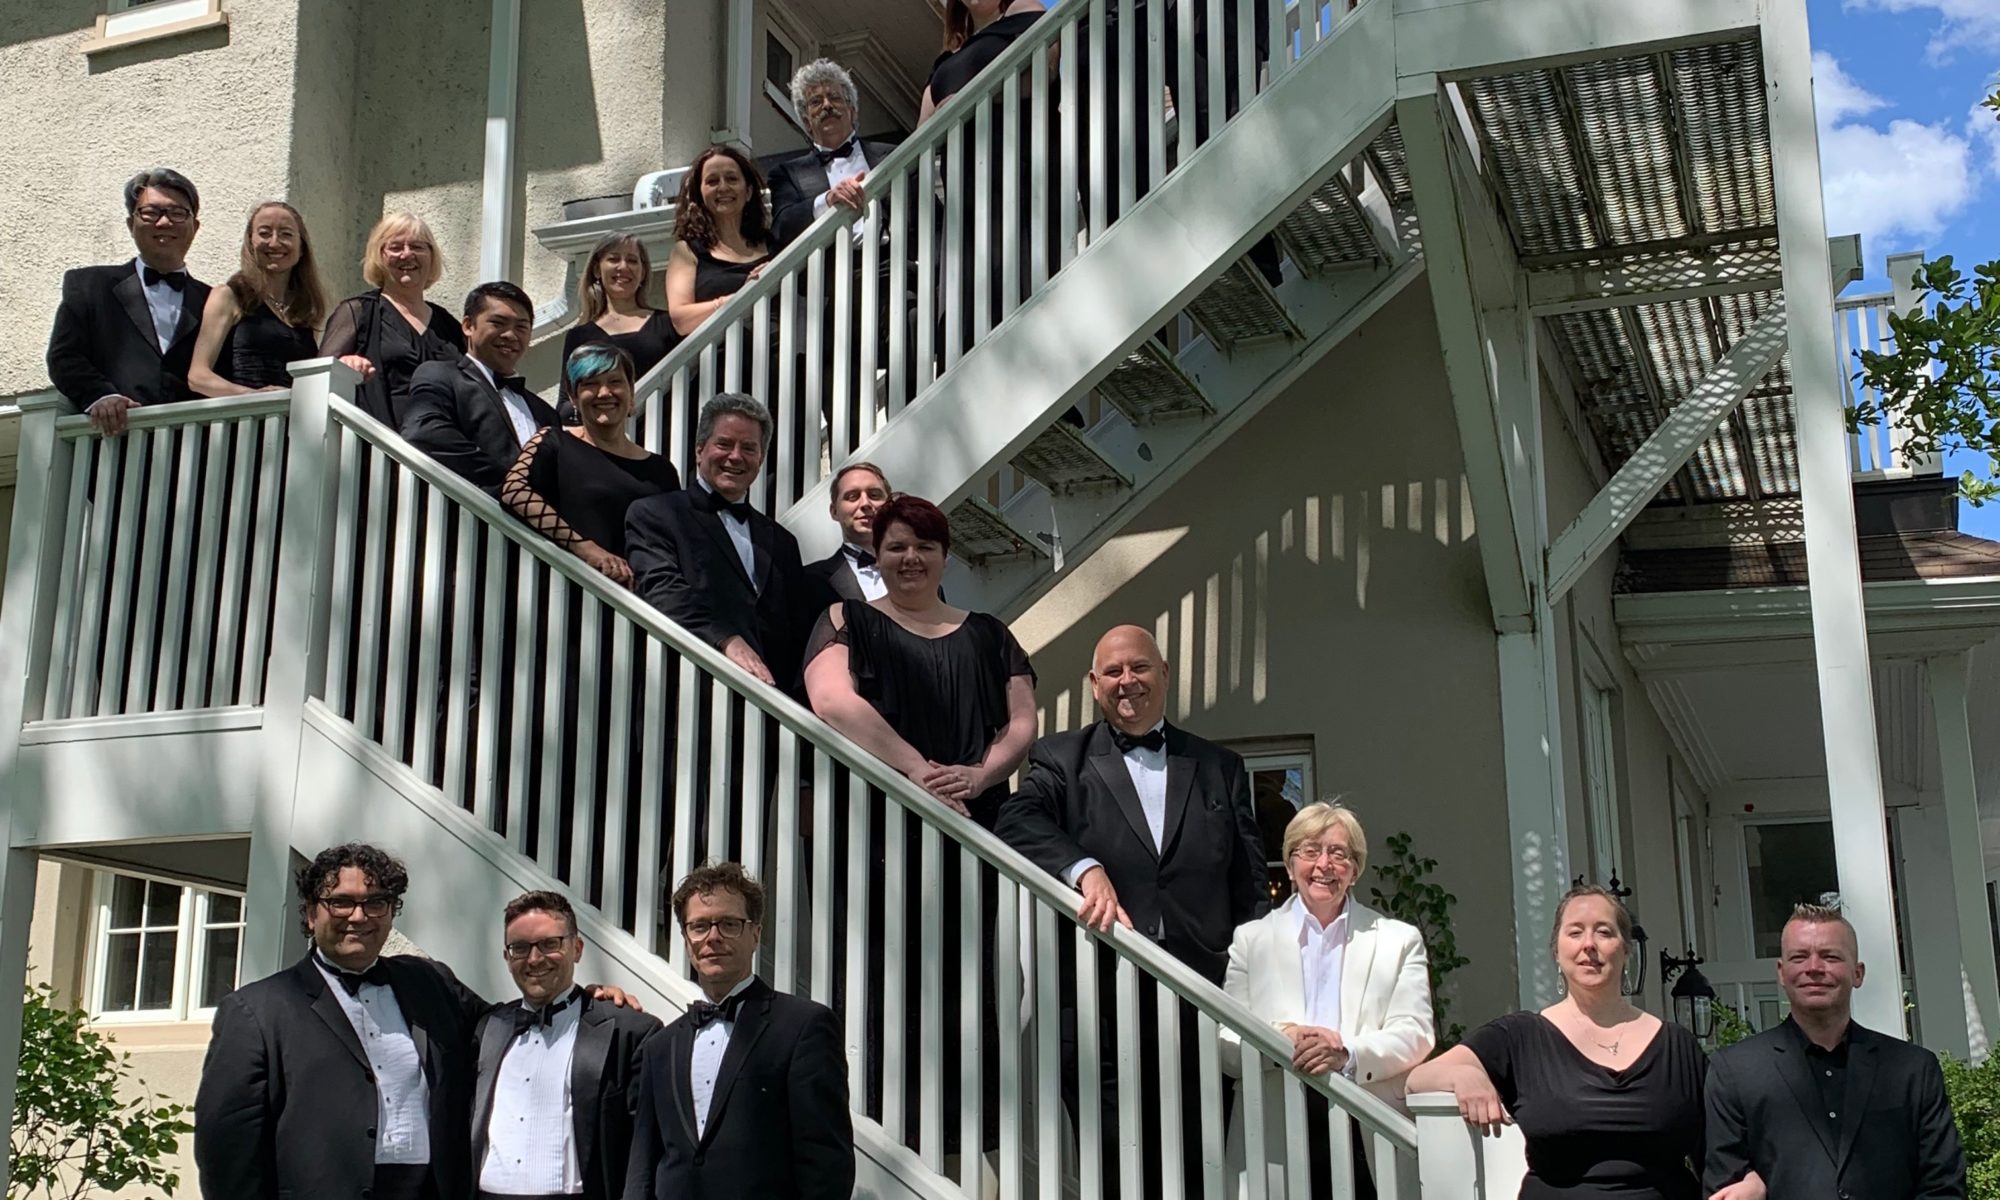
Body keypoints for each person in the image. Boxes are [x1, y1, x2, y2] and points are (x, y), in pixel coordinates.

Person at [192, 843, 638, 1200]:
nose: (359, 917)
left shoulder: (429, 981)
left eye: (376, 903)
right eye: (341, 903)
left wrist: (588, 1002)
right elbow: (227, 1154)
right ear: (311, 914)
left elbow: (511, 1027)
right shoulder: (256, 1010)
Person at [802, 493, 1036, 1160]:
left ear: (944, 556)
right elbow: (830, 700)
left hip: (972, 827)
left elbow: (1022, 723)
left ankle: (970, 1136)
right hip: (879, 836)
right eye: (896, 545)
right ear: (877, 555)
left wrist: (981, 776)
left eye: (923, 546)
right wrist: (918, 771)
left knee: (977, 974)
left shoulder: (990, 633)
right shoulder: (845, 618)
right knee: (883, 972)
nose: (910, 558)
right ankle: (885, 1127)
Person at [995, 622, 1267, 1194]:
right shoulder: (1060, 757)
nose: (1127, 681)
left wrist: (1256, 990)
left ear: (1164, 674)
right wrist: (1083, 869)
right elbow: (1018, 820)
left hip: (1202, 1002)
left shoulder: (1220, 767)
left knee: (1200, 1162)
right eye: (1113, 672)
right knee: (1115, 1168)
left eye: (1139, 667)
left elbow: (1248, 890)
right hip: (1099, 1007)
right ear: (1094, 684)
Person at [1406, 884, 1710, 1200]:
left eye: (1604, 932)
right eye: (1575, 933)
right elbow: (1417, 1079)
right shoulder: (1521, 1037)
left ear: (1626, 949)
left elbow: (1716, 1154)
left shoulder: (1679, 1047)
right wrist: (1463, 1074)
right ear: (1556, 950)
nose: (1589, 944)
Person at [1223, 802, 1434, 1200]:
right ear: (1289, 865)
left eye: (1339, 853)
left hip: (1366, 1128)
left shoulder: (1398, 940)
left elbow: (1416, 1032)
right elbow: (1226, 1044)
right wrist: (1283, 1042)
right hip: (1274, 1131)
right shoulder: (1251, 940)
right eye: (1309, 851)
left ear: (1355, 870)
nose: (1324, 864)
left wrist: (1346, 1052)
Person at [624, 862, 855, 1200]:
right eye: (699, 926)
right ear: (687, 939)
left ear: (756, 934)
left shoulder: (804, 1026)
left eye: (729, 924)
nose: (713, 937)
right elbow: (643, 1163)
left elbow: (826, 1161)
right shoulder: (660, 1045)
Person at [1705, 902, 1965, 1200]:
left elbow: (1943, 1185)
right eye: (1799, 957)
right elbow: (1726, 1181)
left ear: (1857, 973)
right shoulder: (1735, 1071)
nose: (1813, 968)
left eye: (1830, 956)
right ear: (1781, 972)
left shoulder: (1913, 1070)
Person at [470, 890, 662, 1200]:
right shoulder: (487, 1027)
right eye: (520, 948)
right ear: (507, 958)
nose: (534, 959)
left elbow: (645, 1148)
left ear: (577, 948)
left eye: (549, 944)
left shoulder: (629, 1032)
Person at [625, 393, 815, 693]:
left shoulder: (782, 541)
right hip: (688, 696)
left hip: (773, 710)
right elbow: (663, 592)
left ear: (761, 459)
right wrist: (726, 639)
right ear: (700, 450)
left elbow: (798, 627)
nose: (736, 456)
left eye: (749, 448)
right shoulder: (656, 514)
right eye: (724, 444)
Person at [47, 167, 210, 436]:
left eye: (177, 213)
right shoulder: (90, 286)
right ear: (131, 224)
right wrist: (101, 396)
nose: (164, 223)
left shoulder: (214, 302)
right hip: (114, 449)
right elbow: (65, 357)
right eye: (151, 213)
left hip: (193, 456)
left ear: (195, 226)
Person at [503, 343, 681, 587]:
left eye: (615, 382)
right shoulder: (553, 441)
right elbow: (514, 491)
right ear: (574, 397)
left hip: (640, 604)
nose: (604, 392)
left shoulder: (662, 471)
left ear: (631, 390)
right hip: (568, 595)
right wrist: (585, 548)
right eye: (590, 384)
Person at [402, 281, 556, 495]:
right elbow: (425, 433)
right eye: (498, 323)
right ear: (468, 326)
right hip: (468, 519)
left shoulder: (545, 412)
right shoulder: (440, 376)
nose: (511, 335)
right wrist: (509, 486)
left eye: (521, 327)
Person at [320, 212, 465, 428]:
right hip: (381, 448)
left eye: (417, 247)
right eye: (396, 247)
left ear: (431, 256)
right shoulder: (358, 312)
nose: (407, 255)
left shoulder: (448, 324)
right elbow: (320, 379)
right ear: (379, 256)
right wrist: (344, 367)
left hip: (442, 448)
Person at [188, 200, 327, 396]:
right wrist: (252, 396)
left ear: (301, 247)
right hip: (245, 422)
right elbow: (198, 377)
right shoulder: (229, 296)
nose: (274, 242)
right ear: (250, 242)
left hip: (290, 423)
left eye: (286, 234)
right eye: (264, 233)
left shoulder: (305, 312)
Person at [769, 60, 901, 250]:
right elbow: (782, 229)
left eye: (835, 98)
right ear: (806, 122)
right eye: (816, 102)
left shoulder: (891, 155)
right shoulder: (787, 174)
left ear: (853, 112)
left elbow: (931, 216)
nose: (827, 105)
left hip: (892, 266)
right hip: (828, 274)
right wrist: (827, 200)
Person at [556, 233, 679, 420]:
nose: (623, 267)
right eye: (614, 259)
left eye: (632, 260)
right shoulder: (580, 336)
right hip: (603, 442)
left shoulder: (668, 323)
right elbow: (566, 403)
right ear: (597, 270)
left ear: (643, 272)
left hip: (664, 433)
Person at [664, 146, 774, 337]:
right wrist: (742, 297)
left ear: (748, 192)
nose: (723, 187)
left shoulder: (774, 242)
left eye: (732, 179)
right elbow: (681, 321)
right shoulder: (687, 251)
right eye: (712, 181)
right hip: (720, 363)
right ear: (700, 195)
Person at [804, 461, 892, 601]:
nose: (865, 504)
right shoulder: (808, 580)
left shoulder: (919, 574)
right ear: (834, 512)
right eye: (852, 496)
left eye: (874, 495)